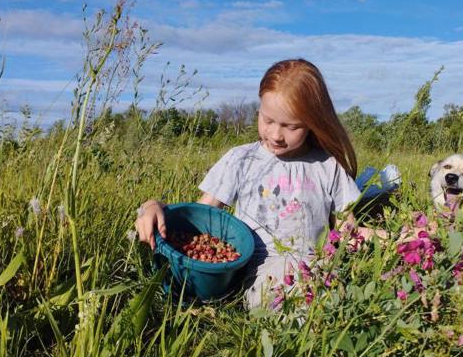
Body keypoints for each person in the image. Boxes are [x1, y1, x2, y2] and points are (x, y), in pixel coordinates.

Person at [135, 58, 382, 309]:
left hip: (317, 266)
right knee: (293, 298)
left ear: (312, 123)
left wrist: (402, 237)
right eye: (268, 120)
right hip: (261, 273)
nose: (276, 135)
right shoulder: (242, 159)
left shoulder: (328, 168)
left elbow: (349, 234)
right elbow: (197, 217)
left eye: (291, 126)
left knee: (335, 295)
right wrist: (152, 206)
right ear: (259, 110)